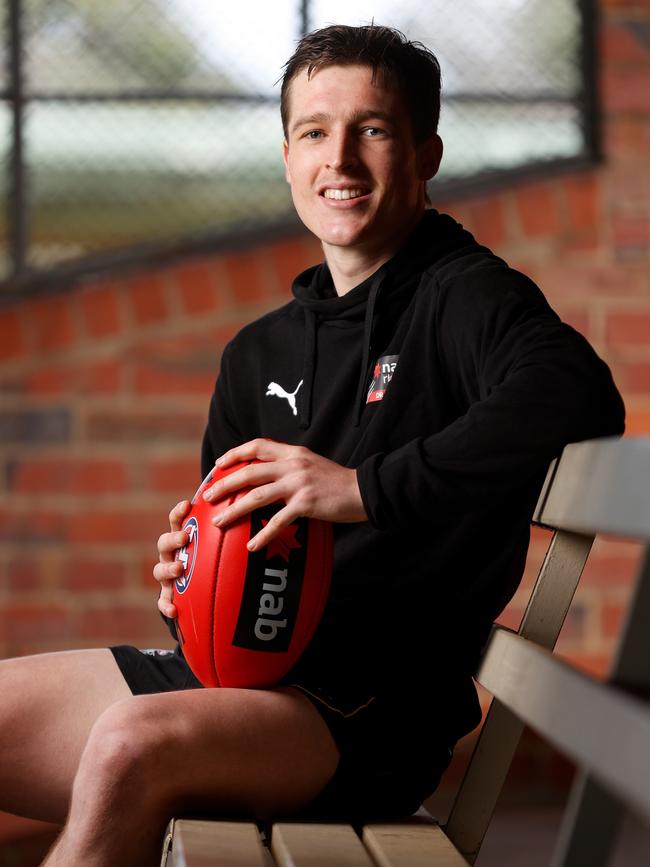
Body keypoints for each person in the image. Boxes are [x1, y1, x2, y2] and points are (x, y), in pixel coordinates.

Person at [1, 24, 624, 867]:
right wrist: (186, 580)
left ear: (425, 152)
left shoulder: (464, 295)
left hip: (364, 712)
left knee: (127, 748)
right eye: (313, 132)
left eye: (372, 129)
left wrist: (360, 489)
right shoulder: (256, 353)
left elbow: (579, 393)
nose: (342, 159)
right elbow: (236, 561)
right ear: (288, 157)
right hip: (241, 680)